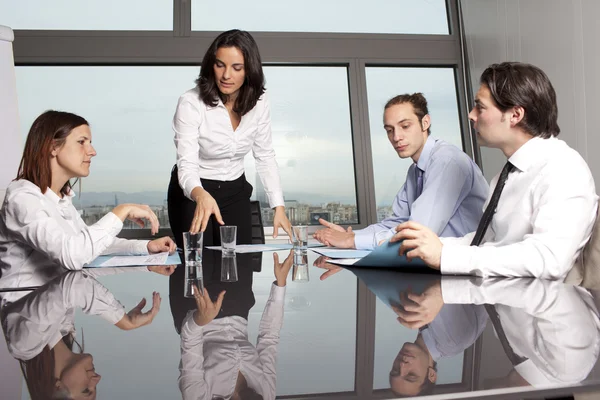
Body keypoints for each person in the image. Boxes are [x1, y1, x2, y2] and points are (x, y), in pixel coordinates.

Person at [392, 62, 599, 279]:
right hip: (507, 300)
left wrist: (445, 255)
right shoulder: (506, 175)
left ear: (515, 115)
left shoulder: (562, 168)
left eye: (480, 107)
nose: (471, 115)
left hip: (542, 308)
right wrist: (426, 246)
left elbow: (548, 260)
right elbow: (486, 241)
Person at [0, 110, 176, 304]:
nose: (92, 151)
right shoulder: (23, 198)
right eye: (82, 142)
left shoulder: (61, 199)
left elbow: (92, 247)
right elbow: (73, 255)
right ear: (53, 147)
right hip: (24, 309)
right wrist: (121, 211)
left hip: (55, 304)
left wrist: (146, 246)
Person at [168, 29, 292, 251]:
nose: (226, 75)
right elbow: (186, 163)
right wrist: (200, 194)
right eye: (220, 65)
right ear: (210, 65)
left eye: (237, 68)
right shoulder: (190, 102)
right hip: (194, 190)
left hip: (235, 190)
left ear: (249, 70)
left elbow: (264, 155)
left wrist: (278, 207)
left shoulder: (260, 101)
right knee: (196, 269)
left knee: (240, 271)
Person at [313, 93, 488, 250]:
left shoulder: (447, 161)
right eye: (390, 130)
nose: (396, 137)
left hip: (470, 269)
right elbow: (397, 222)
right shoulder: (415, 171)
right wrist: (351, 236)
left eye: (405, 126)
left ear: (425, 122)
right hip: (439, 265)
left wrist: (351, 241)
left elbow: (416, 232)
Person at [1, 270, 162, 400]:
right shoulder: (63, 330)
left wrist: (125, 321)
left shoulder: (25, 343)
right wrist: (147, 263)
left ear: (57, 387)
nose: (97, 379)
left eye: (86, 390)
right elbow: (78, 269)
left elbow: (74, 283)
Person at [178, 251, 293, 400]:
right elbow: (269, 338)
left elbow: (189, 341)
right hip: (239, 301)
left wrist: (201, 318)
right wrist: (280, 284)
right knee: (236, 234)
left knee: (196, 236)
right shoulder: (266, 395)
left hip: (197, 305)